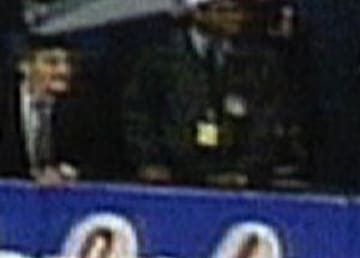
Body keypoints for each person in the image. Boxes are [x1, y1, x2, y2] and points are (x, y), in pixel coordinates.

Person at [120, 0, 290, 189]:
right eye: (225, 11)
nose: (236, 18)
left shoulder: (257, 61)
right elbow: (139, 115)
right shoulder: (160, 58)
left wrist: (245, 170)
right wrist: (149, 161)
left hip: (233, 179)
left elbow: (265, 120)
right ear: (199, 14)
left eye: (239, 10)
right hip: (171, 178)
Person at [0, 36, 102, 182]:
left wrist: (70, 172)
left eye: (69, 62)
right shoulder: (5, 100)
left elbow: (102, 161)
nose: (64, 71)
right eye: (51, 62)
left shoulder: (85, 102)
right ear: (25, 66)